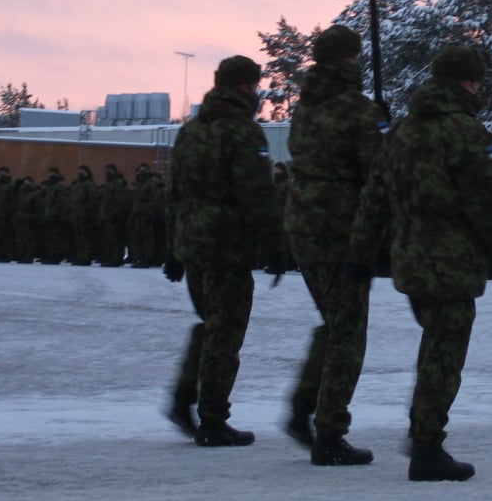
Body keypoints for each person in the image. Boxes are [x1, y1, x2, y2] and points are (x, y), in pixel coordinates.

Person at [350, 45, 492, 482]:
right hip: (452, 260)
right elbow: (488, 199)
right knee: (443, 352)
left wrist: (362, 253)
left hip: (409, 258)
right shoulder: (466, 132)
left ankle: (425, 436)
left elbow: (374, 197)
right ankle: (426, 445)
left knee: (435, 345)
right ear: (466, 83)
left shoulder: (401, 131)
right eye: (477, 81)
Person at [164, 55, 281, 446]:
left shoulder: (191, 131)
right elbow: (257, 195)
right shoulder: (243, 132)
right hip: (227, 244)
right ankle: (213, 419)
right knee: (225, 333)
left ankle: (186, 397)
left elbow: (175, 192)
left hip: (194, 243)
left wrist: (174, 246)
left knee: (211, 323)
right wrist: (276, 243)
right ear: (247, 87)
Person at [283, 25, 383, 466]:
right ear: (350, 59)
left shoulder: (304, 109)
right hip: (343, 232)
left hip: (305, 228)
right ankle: (328, 431)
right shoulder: (357, 110)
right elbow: (377, 172)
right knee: (347, 331)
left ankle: (306, 406)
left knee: (334, 322)